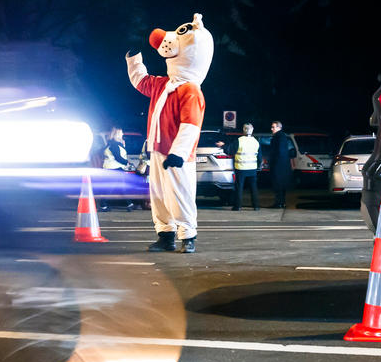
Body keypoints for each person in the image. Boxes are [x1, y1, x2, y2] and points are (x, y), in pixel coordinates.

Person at [127, 13, 213, 254]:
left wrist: (178, 152)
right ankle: (165, 235)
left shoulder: (190, 90)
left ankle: (188, 236)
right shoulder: (163, 85)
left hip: (177, 156)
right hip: (156, 150)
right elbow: (140, 81)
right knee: (158, 196)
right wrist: (134, 58)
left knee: (180, 195)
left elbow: (191, 125)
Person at [224, 123, 261, 210]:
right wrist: (258, 166)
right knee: (253, 187)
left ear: (243, 130)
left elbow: (229, 151)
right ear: (252, 130)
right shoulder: (256, 142)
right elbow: (259, 157)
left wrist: (223, 146)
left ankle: (238, 206)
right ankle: (256, 206)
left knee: (239, 187)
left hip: (241, 168)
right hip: (252, 169)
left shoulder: (239, 141)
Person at [100, 127, 135, 212]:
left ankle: (129, 204)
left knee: (120, 187)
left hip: (113, 168)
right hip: (114, 168)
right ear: (117, 134)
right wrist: (126, 162)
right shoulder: (114, 144)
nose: (123, 134)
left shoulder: (113, 143)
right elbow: (118, 157)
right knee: (112, 188)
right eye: (121, 133)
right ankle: (103, 205)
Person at [268, 120, 295, 208]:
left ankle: (279, 203)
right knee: (281, 185)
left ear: (279, 127)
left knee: (278, 185)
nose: (271, 129)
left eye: (273, 127)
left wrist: (273, 163)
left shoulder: (278, 137)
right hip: (283, 166)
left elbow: (279, 152)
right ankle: (281, 202)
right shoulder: (283, 136)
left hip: (278, 166)